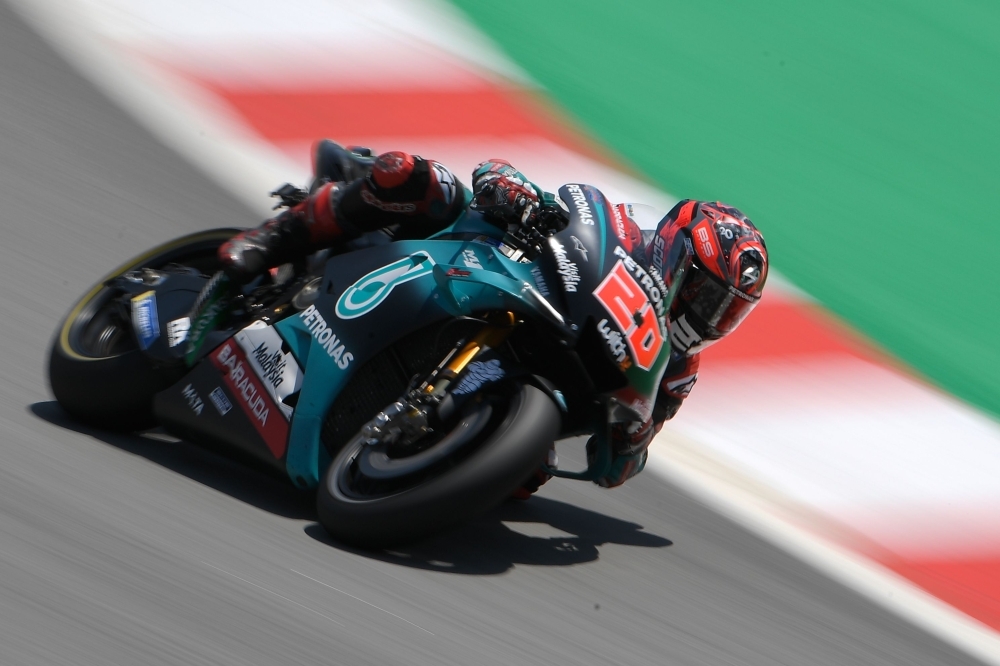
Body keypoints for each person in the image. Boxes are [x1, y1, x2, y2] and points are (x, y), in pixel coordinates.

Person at [218, 141, 768, 492]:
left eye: (725, 309)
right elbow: (497, 170)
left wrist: (631, 439)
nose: (705, 313)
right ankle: (276, 237)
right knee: (415, 177)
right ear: (674, 252)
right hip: (476, 265)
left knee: (527, 474)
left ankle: (404, 455)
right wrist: (514, 193)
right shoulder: (620, 233)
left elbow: (617, 466)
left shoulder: (676, 368)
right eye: (701, 291)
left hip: (533, 365)